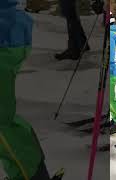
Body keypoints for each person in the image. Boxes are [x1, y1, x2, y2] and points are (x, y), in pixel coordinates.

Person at [0, 1, 63, 179]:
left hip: (5, 35)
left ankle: (30, 173)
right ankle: (29, 171)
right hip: (8, 32)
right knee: (4, 119)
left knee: (2, 122)